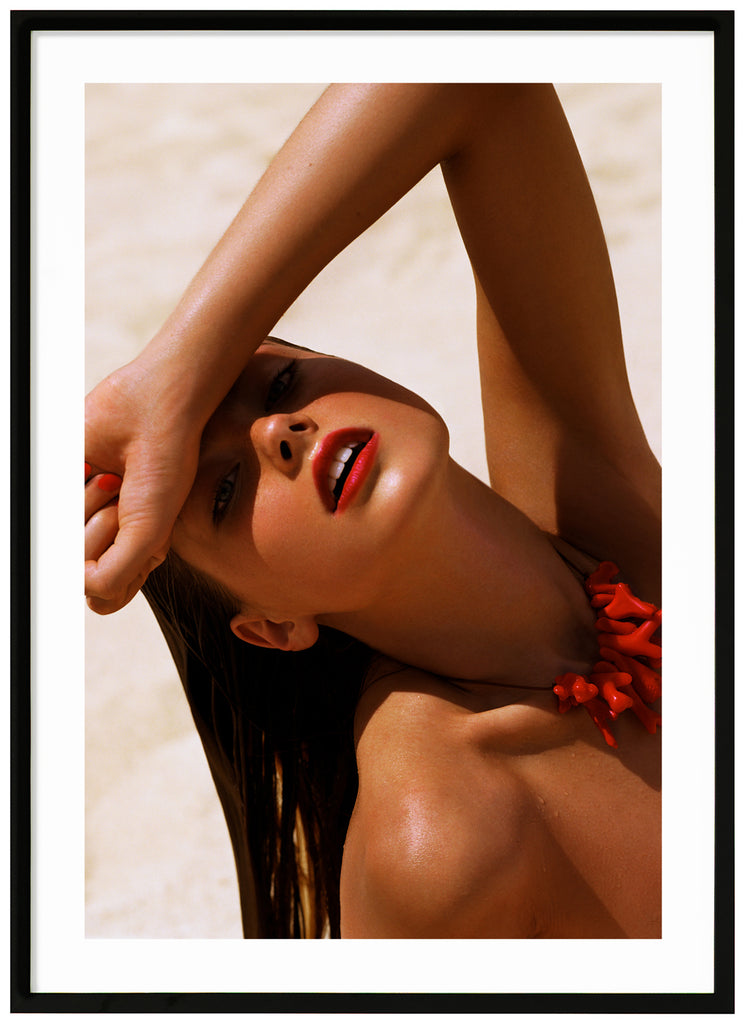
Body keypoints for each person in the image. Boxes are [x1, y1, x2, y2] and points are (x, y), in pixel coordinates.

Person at [85, 84, 661, 938]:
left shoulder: (592, 501)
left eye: (277, 382)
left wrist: (178, 363)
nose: (279, 432)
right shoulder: (441, 837)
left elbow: (474, 68)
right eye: (226, 491)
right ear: (274, 628)